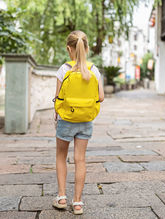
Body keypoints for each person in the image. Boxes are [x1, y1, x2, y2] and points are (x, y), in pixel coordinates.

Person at [52, 30, 104, 215]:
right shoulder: (93, 70)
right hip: (85, 121)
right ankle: (78, 203)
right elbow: (101, 97)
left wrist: (57, 114)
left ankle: (61, 197)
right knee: (80, 159)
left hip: (66, 119)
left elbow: (58, 97)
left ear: (69, 49)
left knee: (61, 156)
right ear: (87, 48)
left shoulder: (63, 70)